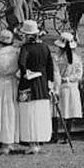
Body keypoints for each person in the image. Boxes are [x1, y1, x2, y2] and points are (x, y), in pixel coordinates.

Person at [16, 21, 55, 153]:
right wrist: (50, 81)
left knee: (29, 112)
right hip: (43, 81)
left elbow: (22, 62)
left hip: (29, 82)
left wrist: (25, 72)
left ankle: (32, 143)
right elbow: (50, 66)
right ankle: (39, 141)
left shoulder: (25, 48)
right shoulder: (45, 47)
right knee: (41, 111)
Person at [0, 29, 21, 154]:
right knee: (10, 112)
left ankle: (0, 141)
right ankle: (8, 141)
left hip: (0, 83)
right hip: (12, 83)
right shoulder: (16, 54)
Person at [54, 31, 84, 142]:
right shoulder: (77, 58)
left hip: (61, 86)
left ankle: (56, 135)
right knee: (70, 111)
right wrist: (70, 79)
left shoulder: (57, 58)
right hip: (72, 86)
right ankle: (67, 135)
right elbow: (79, 74)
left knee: (57, 112)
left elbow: (55, 73)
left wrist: (57, 85)